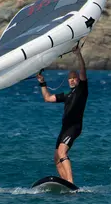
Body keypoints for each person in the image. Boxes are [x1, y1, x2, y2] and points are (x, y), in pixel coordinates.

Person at [36, 43, 88, 184]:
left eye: (74, 78)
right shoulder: (67, 94)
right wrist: (42, 83)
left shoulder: (82, 90)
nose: (72, 80)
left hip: (74, 127)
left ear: (78, 80)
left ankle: (70, 182)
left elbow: (83, 70)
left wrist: (78, 54)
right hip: (64, 129)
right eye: (70, 79)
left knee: (62, 153)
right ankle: (65, 182)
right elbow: (47, 98)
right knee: (56, 157)